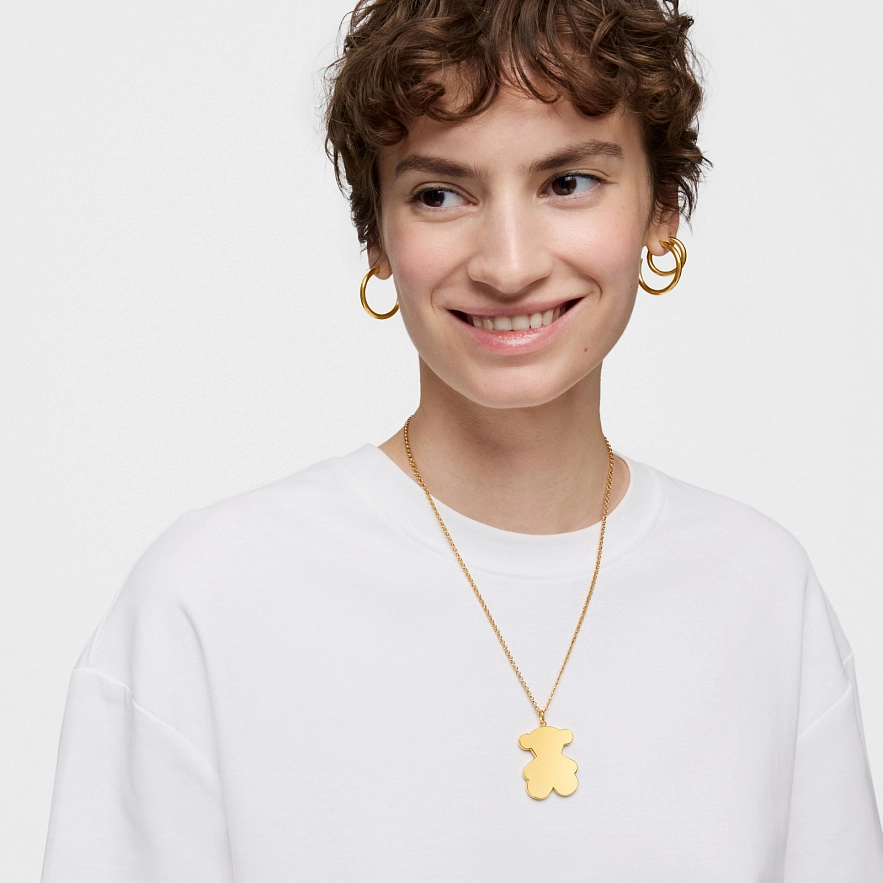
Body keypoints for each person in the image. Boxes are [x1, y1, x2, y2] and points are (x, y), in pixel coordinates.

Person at [42, 0, 883, 879]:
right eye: (439, 194)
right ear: (376, 234)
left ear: (661, 208)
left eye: (568, 182)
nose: (508, 264)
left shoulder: (761, 592)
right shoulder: (206, 602)